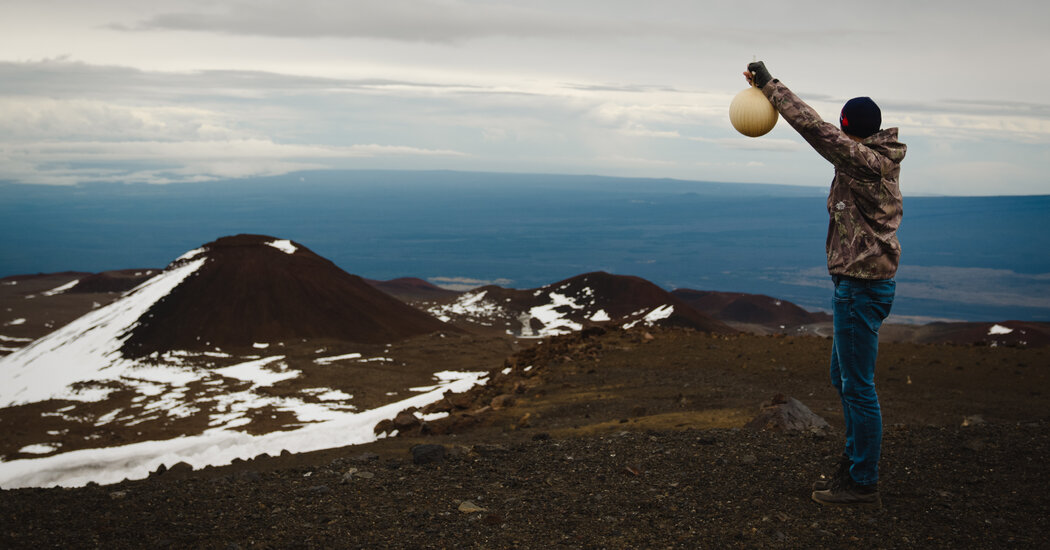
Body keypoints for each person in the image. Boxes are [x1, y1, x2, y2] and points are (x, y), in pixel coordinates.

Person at [744, 61, 905, 508]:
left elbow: (814, 129)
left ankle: (861, 480)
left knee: (857, 385)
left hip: (861, 288)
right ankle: (855, 464)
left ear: (847, 129)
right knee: (844, 377)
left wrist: (770, 86)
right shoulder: (870, 160)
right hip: (858, 286)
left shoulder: (864, 161)